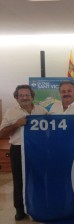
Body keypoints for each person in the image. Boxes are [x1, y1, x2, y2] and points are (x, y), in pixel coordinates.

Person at [0, 85, 47, 220]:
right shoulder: (10, 112)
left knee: (38, 178)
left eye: (27, 95)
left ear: (32, 97)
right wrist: (16, 124)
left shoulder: (41, 111)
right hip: (18, 149)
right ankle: (20, 209)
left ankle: (38, 206)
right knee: (19, 180)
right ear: (16, 98)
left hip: (38, 150)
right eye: (21, 95)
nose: (24, 98)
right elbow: (1, 133)